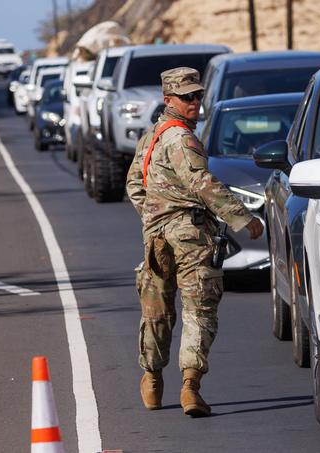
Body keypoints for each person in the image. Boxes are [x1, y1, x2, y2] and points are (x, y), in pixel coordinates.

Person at [126, 67, 264, 417]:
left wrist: (154, 216)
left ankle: (154, 380)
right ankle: (189, 386)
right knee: (198, 310)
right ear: (168, 99)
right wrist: (243, 218)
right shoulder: (181, 138)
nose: (195, 102)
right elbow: (200, 180)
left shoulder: (152, 137)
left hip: (156, 239)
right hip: (189, 237)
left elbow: (134, 185)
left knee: (156, 311)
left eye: (198, 95)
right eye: (187, 97)